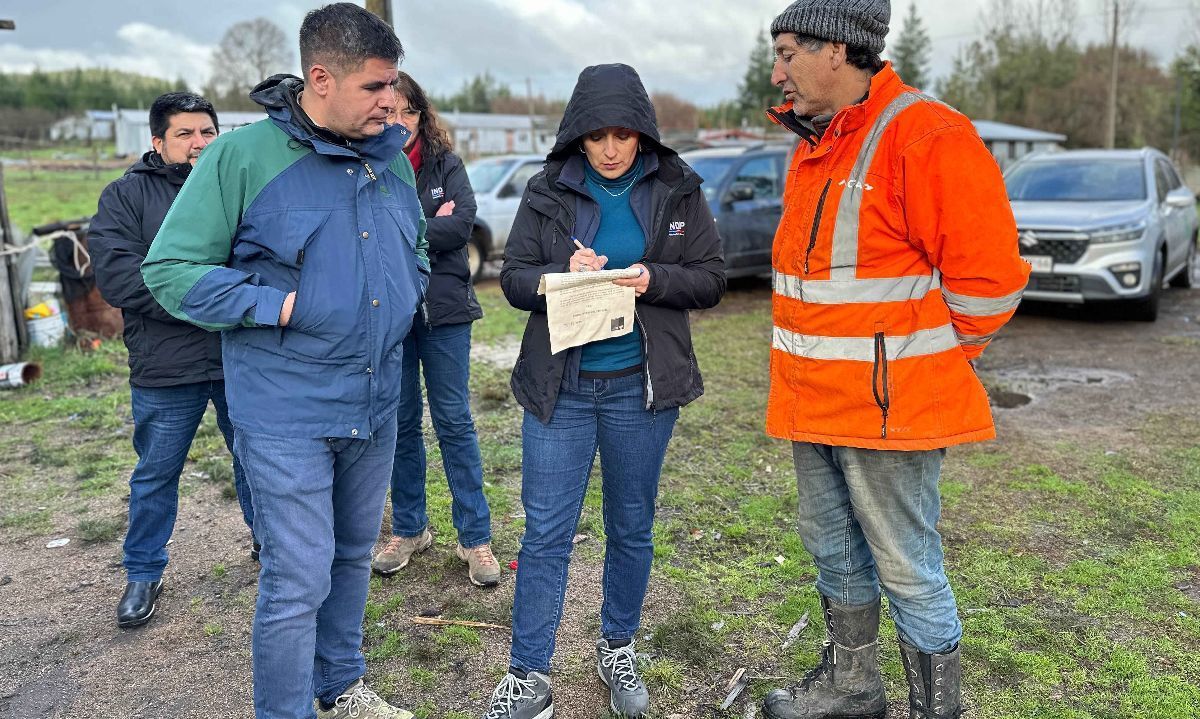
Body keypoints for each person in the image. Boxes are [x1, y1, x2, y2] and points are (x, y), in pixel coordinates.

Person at [142, 4, 427, 718]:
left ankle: (342, 682)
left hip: (376, 398)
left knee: (354, 551)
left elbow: (416, 248)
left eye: (393, 86)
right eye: (375, 88)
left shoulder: (387, 156)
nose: (391, 101)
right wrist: (277, 306)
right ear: (320, 78)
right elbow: (170, 269)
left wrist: (410, 290)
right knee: (297, 576)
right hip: (286, 410)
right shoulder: (243, 157)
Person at [758, 2, 1031, 718]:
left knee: (908, 568)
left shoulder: (927, 135)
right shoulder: (813, 145)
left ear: (838, 52)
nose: (777, 70)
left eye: (788, 53)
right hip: (811, 400)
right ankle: (854, 689)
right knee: (832, 551)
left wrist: (927, 361)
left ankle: (935, 709)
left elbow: (992, 282)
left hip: (891, 410)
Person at [483, 63, 726, 719]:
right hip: (560, 388)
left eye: (623, 134)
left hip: (640, 391)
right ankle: (529, 675)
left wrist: (653, 277)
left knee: (631, 526)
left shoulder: (677, 188)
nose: (611, 149)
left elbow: (710, 277)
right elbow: (512, 280)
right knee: (545, 535)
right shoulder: (547, 190)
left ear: (643, 132)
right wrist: (559, 274)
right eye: (597, 136)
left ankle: (617, 645)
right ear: (577, 136)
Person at [89, 91, 256, 630]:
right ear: (157, 142)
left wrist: (212, 295)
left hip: (238, 357)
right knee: (156, 472)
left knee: (256, 462)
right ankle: (143, 571)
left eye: (207, 132)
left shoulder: (235, 187)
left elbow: (261, 264)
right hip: (165, 365)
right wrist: (212, 300)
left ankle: (270, 547)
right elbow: (119, 279)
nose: (198, 143)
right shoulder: (126, 197)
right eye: (184, 134)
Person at [370, 72, 499, 588]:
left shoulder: (447, 164)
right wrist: (428, 222)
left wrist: (408, 227)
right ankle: (409, 528)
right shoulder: (369, 163)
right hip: (392, 315)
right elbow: (374, 233)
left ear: (422, 116)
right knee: (400, 423)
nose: (398, 122)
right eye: (388, 112)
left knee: (454, 421)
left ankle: (476, 538)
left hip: (445, 314)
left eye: (408, 112)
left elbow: (460, 226)